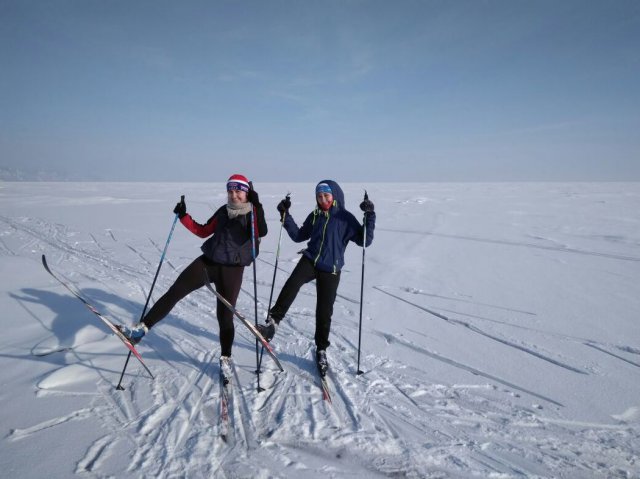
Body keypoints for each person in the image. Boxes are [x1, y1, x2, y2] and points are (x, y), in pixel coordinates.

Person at [118, 174, 267, 382]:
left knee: (224, 317)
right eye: (231, 191)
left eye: (239, 191)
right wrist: (183, 216)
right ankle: (140, 330)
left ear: (246, 193)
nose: (234, 195)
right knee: (176, 291)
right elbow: (203, 230)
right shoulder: (223, 211)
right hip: (208, 262)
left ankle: (226, 358)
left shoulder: (252, 215)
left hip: (232, 270)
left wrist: (257, 206)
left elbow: (263, 231)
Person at [256, 180, 375, 376]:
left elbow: (365, 240)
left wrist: (369, 216)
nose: (323, 200)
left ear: (334, 196)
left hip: (331, 267)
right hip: (311, 259)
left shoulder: (345, 218)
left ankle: (321, 349)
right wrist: (285, 215)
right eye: (319, 197)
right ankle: (272, 325)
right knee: (291, 284)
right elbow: (298, 235)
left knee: (324, 310)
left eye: (326, 196)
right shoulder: (316, 216)